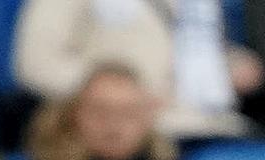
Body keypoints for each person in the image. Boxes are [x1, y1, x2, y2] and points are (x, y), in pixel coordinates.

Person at [13, 0, 260, 141]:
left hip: (210, 125)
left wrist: (233, 64)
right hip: (121, 132)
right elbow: (34, 64)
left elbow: (196, 50)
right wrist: (119, 95)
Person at [24, 63, 179, 160]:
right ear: (73, 115)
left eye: (128, 112)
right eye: (100, 111)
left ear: (147, 119)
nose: (114, 124)